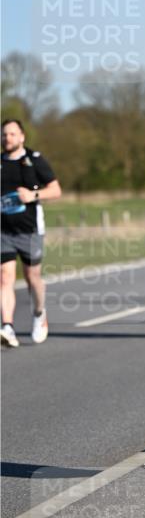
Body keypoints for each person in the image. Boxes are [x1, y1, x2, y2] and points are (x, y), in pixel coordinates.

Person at [1, 119, 62, 347]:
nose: (7, 138)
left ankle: (39, 314)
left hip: (30, 230)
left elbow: (56, 189)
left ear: (22, 136)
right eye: (4, 134)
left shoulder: (34, 160)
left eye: (12, 134)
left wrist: (33, 196)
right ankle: (7, 326)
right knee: (4, 277)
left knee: (32, 277)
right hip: (3, 230)